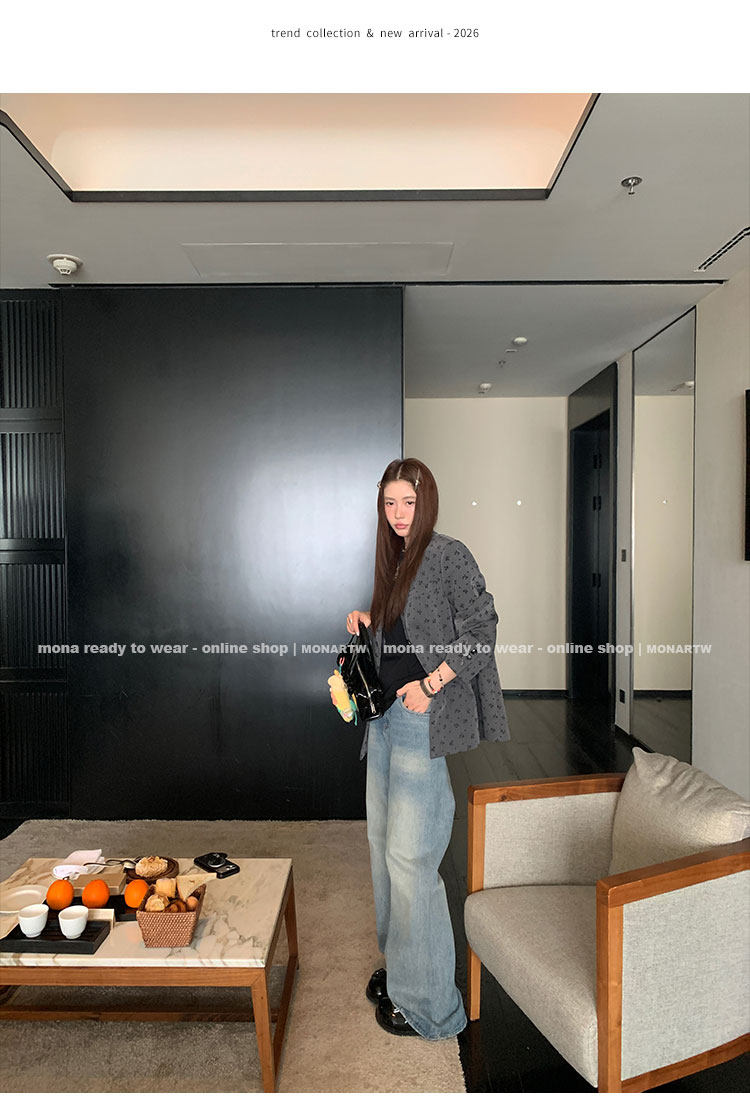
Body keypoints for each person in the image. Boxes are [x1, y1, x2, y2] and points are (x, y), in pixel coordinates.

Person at [343, 457, 510, 1041]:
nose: (398, 514)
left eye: (408, 503)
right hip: (385, 716)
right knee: (381, 846)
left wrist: (432, 683)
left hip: (420, 717)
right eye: (390, 503)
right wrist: (371, 620)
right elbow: (408, 628)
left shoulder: (448, 554)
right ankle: (402, 972)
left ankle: (434, 1007)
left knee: (411, 858)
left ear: (427, 502)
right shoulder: (394, 556)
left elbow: (482, 631)